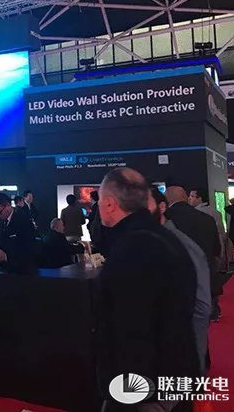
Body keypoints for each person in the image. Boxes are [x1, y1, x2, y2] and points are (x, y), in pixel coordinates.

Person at [97, 169, 199, 410]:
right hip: (172, 376)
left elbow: (131, 331)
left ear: (109, 204)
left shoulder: (134, 248)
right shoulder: (163, 237)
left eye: (100, 200)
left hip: (147, 389)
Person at [149, 188, 211, 375]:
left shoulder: (176, 243)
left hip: (175, 352)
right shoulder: (150, 240)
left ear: (161, 207)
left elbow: (201, 307)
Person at [165, 186, 223, 322]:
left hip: (178, 282)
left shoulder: (166, 219)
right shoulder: (207, 219)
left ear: (167, 200)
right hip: (206, 277)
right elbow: (216, 250)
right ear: (185, 197)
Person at [0, 193, 36, 274]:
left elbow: (29, 249)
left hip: (23, 271)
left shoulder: (23, 219)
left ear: (8, 205)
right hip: (5, 270)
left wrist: (6, 257)